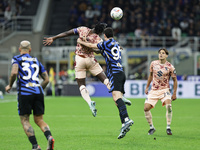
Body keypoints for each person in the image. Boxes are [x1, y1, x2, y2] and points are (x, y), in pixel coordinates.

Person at [43, 23, 131, 117]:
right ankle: (120, 96)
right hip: (91, 60)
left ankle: (90, 102)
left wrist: (54, 38)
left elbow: (67, 33)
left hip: (79, 59)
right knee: (105, 80)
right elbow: (99, 50)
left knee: (81, 85)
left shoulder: (82, 29)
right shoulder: (98, 39)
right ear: (100, 32)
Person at [77, 27, 134, 139]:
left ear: (104, 36)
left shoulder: (106, 43)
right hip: (121, 72)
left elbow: (92, 46)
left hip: (115, 73)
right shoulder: (115, 44)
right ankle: (123, 124)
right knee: (117, 101)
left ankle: (126, 119)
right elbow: (101, 52)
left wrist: (80, 41)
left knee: (117, 98)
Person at [5, 40, 54, 150]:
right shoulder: (36, 60)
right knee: (39, 120)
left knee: (25, 120)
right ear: (30, 50)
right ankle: (49, 137)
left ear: (19, 49)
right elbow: (46, 80)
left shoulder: (17, 58)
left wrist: (9, 85)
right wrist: (38, 89)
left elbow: (14, 72)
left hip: (25, 92)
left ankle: (35, 146)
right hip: (38, 91)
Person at [144, 48, 177, 135]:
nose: (161, 54)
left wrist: (174, 93)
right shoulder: (153, 64)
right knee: (146, 108)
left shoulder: (170, 67)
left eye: (163, 53)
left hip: (165, 90)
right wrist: (147, 87)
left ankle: (168, 127)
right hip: (154, 90)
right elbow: (150, 76)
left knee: (168, 106)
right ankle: (151, 127)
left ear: (166, 55)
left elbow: (175, 80)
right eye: (159, 53)